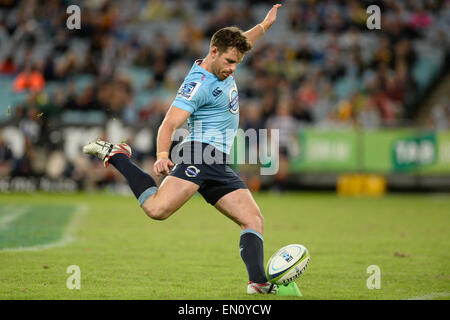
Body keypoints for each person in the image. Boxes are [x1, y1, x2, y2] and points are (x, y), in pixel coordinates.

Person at [83, 4, 282, 294]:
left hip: (218, 161)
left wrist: (265, 24)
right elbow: (168, 123)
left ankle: (258, 284)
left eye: (237, 63)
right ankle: (118, 156)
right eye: (228, 61)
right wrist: (162, 155)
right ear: (214, 51)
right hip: (199, 154)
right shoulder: (197, 84)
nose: (232, 68)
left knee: (253, 219)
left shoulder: (225, 62)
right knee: (157, 210)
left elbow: (245, 42)